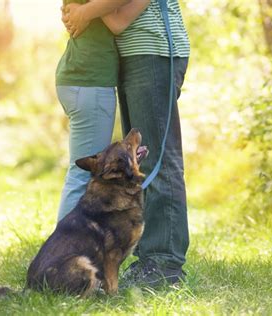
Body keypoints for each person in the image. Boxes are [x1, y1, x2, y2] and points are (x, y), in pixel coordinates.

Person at [64, 0, 190, 286]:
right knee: (140, 160)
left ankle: (166, 264)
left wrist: (85, 10)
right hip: (134, 55)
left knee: (159, 158)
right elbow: (116, 20)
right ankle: (150, 258)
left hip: (154, 51)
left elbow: (118, 21)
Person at [56, 0, 151, 221]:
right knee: (82, 176)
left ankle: (66, 248)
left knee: (81, 174)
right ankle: (63, 251)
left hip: (82, 79)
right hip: (90, 82)